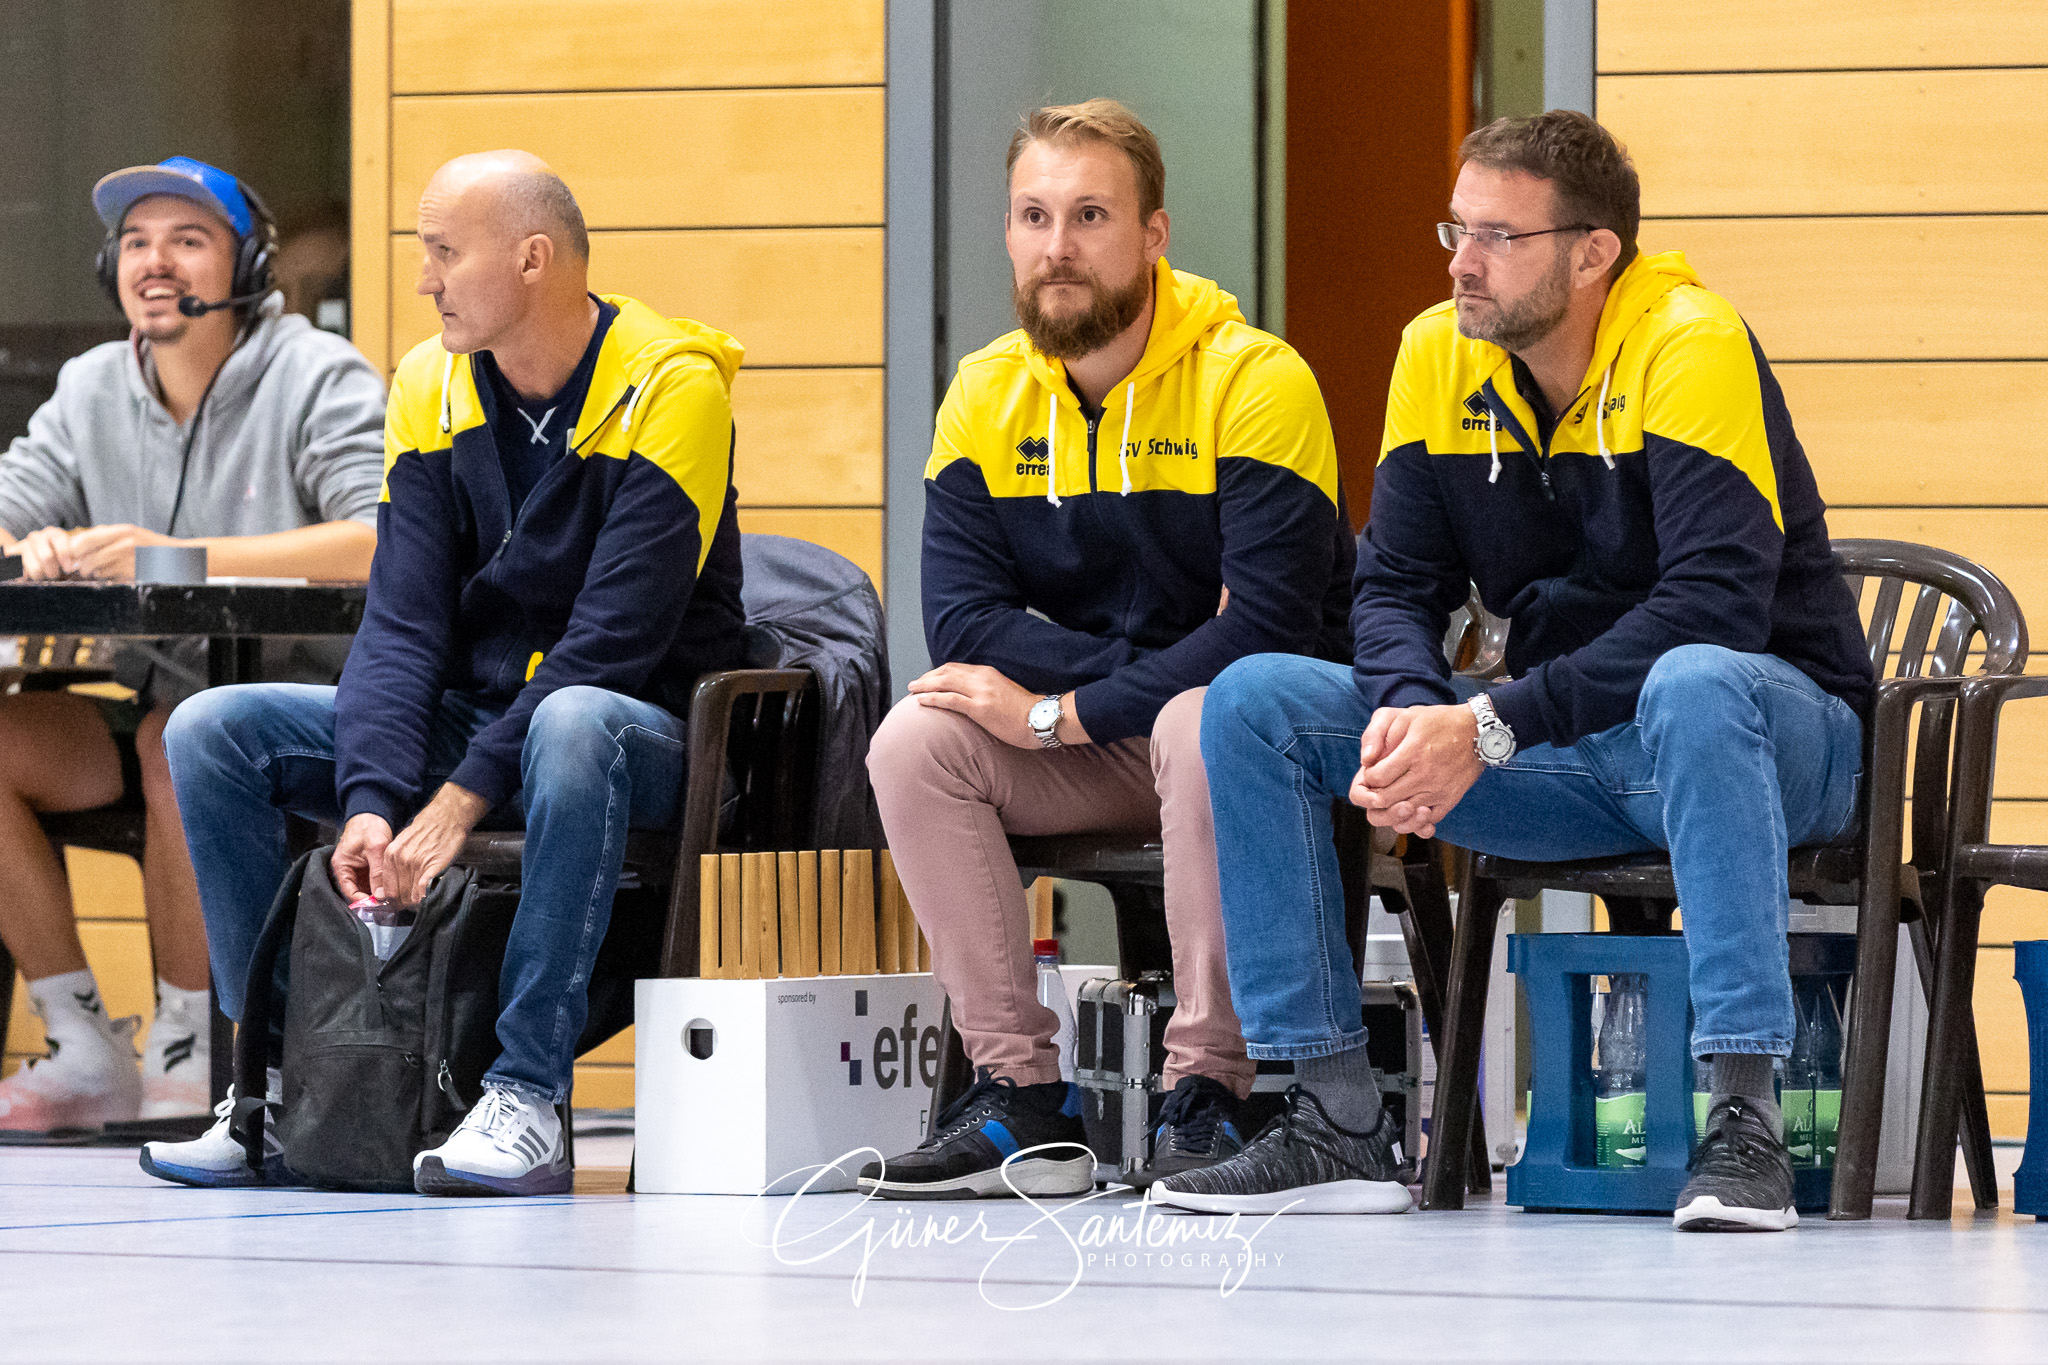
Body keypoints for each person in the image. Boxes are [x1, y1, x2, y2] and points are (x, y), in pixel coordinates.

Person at [1155, 111, 1872, 1231]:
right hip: (1564, 750)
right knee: (1252, 703)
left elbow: (1713, 608)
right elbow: (1391, 586)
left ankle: (1742, 1121)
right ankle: (1336, 1118)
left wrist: (1483, 727)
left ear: (1593, 253)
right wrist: (1408, 717)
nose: (1459, 261)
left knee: (1689, 678)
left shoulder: (1690, 342)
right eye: (1455, 228)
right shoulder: (1435, 349)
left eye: (1496, 236)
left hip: (1770, 740)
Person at [141, 150, 747, 1195]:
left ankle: (526, 1096)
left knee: (573, 721)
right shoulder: (427, 382)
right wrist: (374, 797)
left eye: (441, 252)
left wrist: (460, 797)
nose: (422, 279)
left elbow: (612, 644)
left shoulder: (673, 384)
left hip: (641, 732)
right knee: (210, 730)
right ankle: (281, 1086)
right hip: (487, 718)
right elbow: (402, 624)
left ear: (530, 259)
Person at [859, 99, 1354, 1201]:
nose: (1056, 246)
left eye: (1089, 215)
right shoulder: (983, 393)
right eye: (1033, 216)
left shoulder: (1255, 380)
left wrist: (1059, 704)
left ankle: (1209, 1088)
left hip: (1246, 757)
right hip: (1102, 746)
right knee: (916, 739)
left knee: (1202, 713)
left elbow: (1262, 635)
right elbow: (965, 626)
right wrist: (1157, 654)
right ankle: (1017, 1099)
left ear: (1154, 235)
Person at [0, 156, 384, 1139]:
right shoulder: (90, 385)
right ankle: (84, 1043)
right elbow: (6, 508)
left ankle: (193, 1042)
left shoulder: (315, 371)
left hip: (312, 717)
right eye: (135, 242)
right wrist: (28, 542)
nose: (154, 261)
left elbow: (376, 533)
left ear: (248, 264)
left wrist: (177, 557)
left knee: (181, 739)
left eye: (187, 239)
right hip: (149, 704)